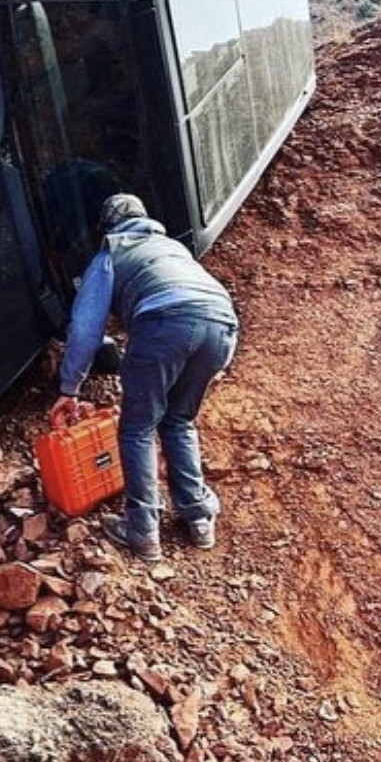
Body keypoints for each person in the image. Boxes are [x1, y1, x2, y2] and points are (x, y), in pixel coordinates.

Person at [48, 193, 238, 561]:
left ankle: (143, 530)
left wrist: (69, 387)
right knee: (179, 419)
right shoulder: (172, 248)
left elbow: (85, 329)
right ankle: (198, 517)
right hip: (222, 326)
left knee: (137, 428)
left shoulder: (111, 253)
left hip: (164, 324)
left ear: (106, 227)